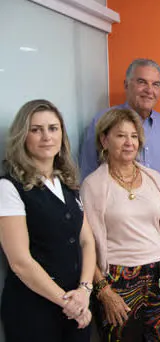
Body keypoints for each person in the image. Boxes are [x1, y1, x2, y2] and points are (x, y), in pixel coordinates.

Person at [81, 108, 160, 341]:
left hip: (158, 275)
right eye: (121, 135)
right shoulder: (93, 185)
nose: (129, 142)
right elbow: (86, 245)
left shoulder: (153, 178)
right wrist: (104, 291)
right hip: (117, 279)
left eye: (134, 136)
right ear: (104, 140)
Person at [79, 58, 160, 258]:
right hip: (118, 245)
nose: (149, 90)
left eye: (155, 84)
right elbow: (85, 184)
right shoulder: (102, 123)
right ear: (127, 85)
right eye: (142, 82)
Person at [0, 99, 96, 341]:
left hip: (77, 304)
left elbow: (87, 241)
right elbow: (20, 262)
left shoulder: (67, 182)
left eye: (53, 128)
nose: (46, 137)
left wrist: (84, 291)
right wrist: (70, 304)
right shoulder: (8, 187)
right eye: (36, 129)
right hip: (33, 311)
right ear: (23, 136)